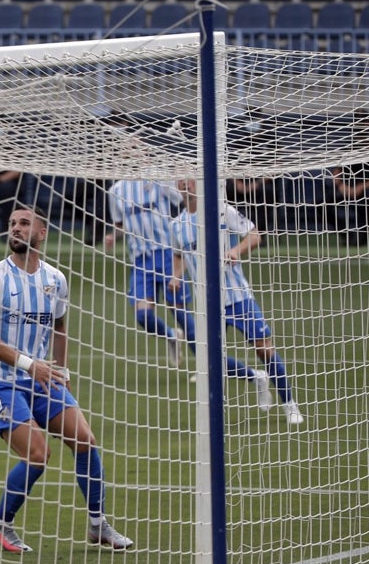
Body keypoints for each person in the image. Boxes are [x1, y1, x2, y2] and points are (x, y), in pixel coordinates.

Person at [0, 205, 133, 554]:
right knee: (38, 453)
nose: (16, 228)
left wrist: (63, 370)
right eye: (13, 223)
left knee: (85, 439)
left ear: (41, 233)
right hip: (1, 382)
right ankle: (0, 524)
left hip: (43, 379)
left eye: (25, 223)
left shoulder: (55, 280)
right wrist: (31, 365)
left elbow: (59, 326)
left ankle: (97, 525)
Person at [169, 180, 304, 425]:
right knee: (211, 360)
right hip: (208, 303)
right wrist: (176, 277)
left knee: (264, 349)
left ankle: (290, 404)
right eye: (181, 181)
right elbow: (179, 255)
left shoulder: (221, 210)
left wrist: (235, 251)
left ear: (198, 182)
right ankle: (255, 377)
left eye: (190, 179)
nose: (185, 184)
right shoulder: (176, 225)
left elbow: (254, 235)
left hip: (238, 296)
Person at [104, 179, 194, 367]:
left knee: (180, 313)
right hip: (140, 259)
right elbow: (121, 226)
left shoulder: (158, 181)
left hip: (168, 254)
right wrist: (113, 236)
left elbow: (182, 200)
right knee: (143, 316)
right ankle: (171, 336)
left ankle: (206, 366)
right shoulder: (115, 191)